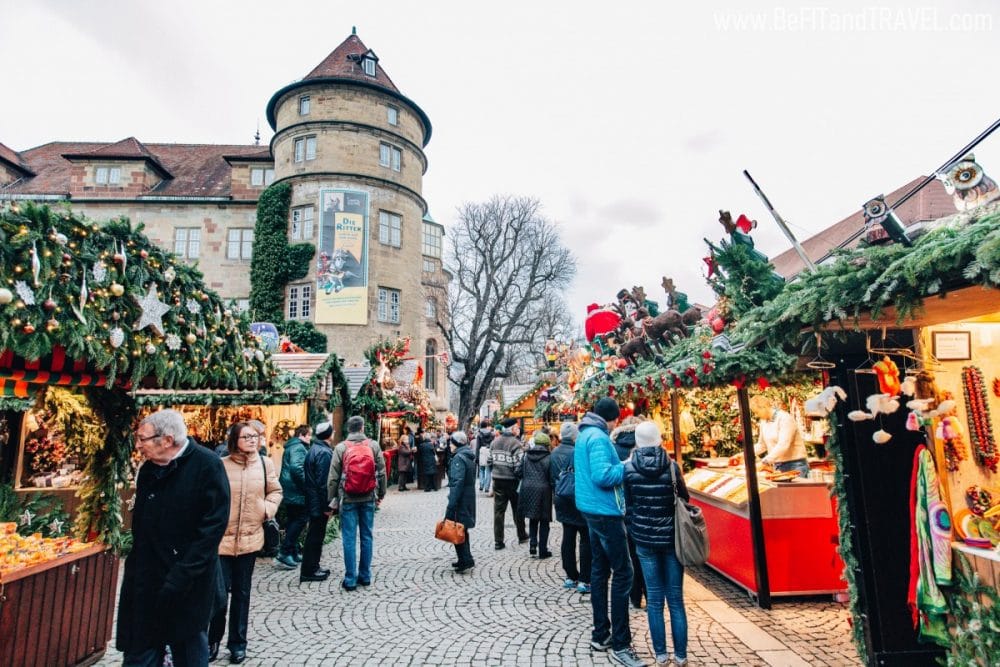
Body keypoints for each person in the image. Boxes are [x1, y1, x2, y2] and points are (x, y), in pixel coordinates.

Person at [116, 409, 229, 667]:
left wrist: (182, 575)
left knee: (188, 651)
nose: (138, 445)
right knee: (139, 652)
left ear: (167, 440)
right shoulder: (147, 470)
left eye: (143, 439)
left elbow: (211, 531)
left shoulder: (208, 465)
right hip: (146, 579)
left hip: (187, 583)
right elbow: (142, 528)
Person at [575, 397, 644, 667]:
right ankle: (620, 642)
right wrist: (627, 465)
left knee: (599, 571)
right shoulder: (600, 439)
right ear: (612, 418)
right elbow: (603, 476)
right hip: (605, 512)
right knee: (624, 572)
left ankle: (600, 633)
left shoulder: (584, 435)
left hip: (590, 509)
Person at [209, 422, 282, 664]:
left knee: (242, 594)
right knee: (218, 596)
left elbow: (275, 491)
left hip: (251, 539)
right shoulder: (221, 465)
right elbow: (208, 496)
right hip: (222, 541)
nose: (253, 440)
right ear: (234, 440)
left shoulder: (264, 464)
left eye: (255, 436)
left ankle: (238, 643)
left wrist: (266, 510)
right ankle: (212, 639)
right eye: (246, 436)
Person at [622, 421, 690, 667]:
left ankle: (660, 654)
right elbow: (684, 498)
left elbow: (628, 505)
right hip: (672, 539)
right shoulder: (672, 467)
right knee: (675, 598)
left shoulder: (628, 469)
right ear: (660, 439)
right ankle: (681, 655)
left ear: (638, 441)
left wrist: (636, 526)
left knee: (654, 599)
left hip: (644, 540)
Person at [327, 415, 387, 591]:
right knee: (367, 536)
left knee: (349, 538)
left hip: (347, 498)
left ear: (349, 429)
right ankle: (365, 576)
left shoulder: (341, 448)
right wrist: (381, 493)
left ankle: (350, 579)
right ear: (362, 428)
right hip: (368, 497)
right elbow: (382, 472)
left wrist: (332, 500)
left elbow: (333, 477)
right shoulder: (373, 445)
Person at [550, 421, 592, 594]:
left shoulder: (553, 453)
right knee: (585, 539)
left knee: (567, 537)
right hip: (579, 498)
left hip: (561, 498)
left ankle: (570, 576)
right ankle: (584, 579)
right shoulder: (579, 452)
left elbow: (552, 478)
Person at [611, 416, 646, 610]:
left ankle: (634, 596)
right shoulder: (646, 448)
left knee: (630, 555)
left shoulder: (614, 448)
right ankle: (651, 595)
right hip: (646, 507)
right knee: (647, 554)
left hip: (623, 508)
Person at [300, 421, 335, 582]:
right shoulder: (324, 453)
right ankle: (310, 570)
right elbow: (324, 483)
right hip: (318, 502)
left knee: (314, 535)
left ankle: (313, 566)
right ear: (329, 435)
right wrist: (327, 505)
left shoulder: (314, 449)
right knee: (315, 536)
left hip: (312, 499)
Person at [275, 424, 311, 569]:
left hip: (289, 489)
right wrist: (306, 486)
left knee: (293, 520)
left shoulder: (292, 446)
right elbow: (297, 468)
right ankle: (284, 553)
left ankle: (293, 551)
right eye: (309, 435)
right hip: (296, 491)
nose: (310, 437)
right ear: (301, 435)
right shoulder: (299, 447)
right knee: (300, 520)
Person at [489, 417, 528, 550]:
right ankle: (522, 535)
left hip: (498, 480)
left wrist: (496, 470)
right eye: (517, 427)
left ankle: (498, 541)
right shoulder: (516, 443)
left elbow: (489, 461)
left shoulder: (495, 442)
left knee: (498, 511)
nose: (518, 429)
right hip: (512, 481)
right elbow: (519, 464)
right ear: (512, 429)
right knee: (517, 509)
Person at [749, 395, 810, 478]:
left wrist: (765, 462)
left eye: (757, 412)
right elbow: (761, 445)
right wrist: (745, 455)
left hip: (795, 466)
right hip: (778, 466)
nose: (756, 415)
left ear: (764, 407)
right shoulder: (763, 422)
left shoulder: (785, 418)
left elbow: (784, 445)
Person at [516, 430, 554, 558]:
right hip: (544, 491)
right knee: (544, 521)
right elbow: (552, 477)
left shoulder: (526, 456)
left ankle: (533, 544)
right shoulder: (549, 457)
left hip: (528, 489)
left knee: (533, 519)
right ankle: (543, 550)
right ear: (546, 444)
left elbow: (518, 472)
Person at [445, 431, 477, 573]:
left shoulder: (459, 458)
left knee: (457, 529)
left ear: (457, 443)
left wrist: (452, 503)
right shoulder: (467, 455)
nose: (449, 445)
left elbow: (457, 482)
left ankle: (465, 560)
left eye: (451, 443)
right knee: (462, 528)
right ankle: (465, 558)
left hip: (461, 499)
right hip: (468, 496)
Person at [474, 423, 495, 494]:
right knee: (488, 470)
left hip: (481, 451)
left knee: (481, 469)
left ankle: (481, 485)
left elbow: (477, 446)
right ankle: (487, 487)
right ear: (486, 426)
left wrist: (476, 457)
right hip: (489, 450)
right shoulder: (491, 434)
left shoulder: (479, 434)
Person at [397, 425, 414, 491]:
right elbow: (405, 452)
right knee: (402, 475)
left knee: (405, 475)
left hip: (405, 462)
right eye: (406, 439)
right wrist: (411, 450)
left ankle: (403, 486)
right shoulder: (401, 446)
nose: (408, 440)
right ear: (403, 440)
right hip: (403, 462)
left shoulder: (406, 445)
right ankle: (400, 487)